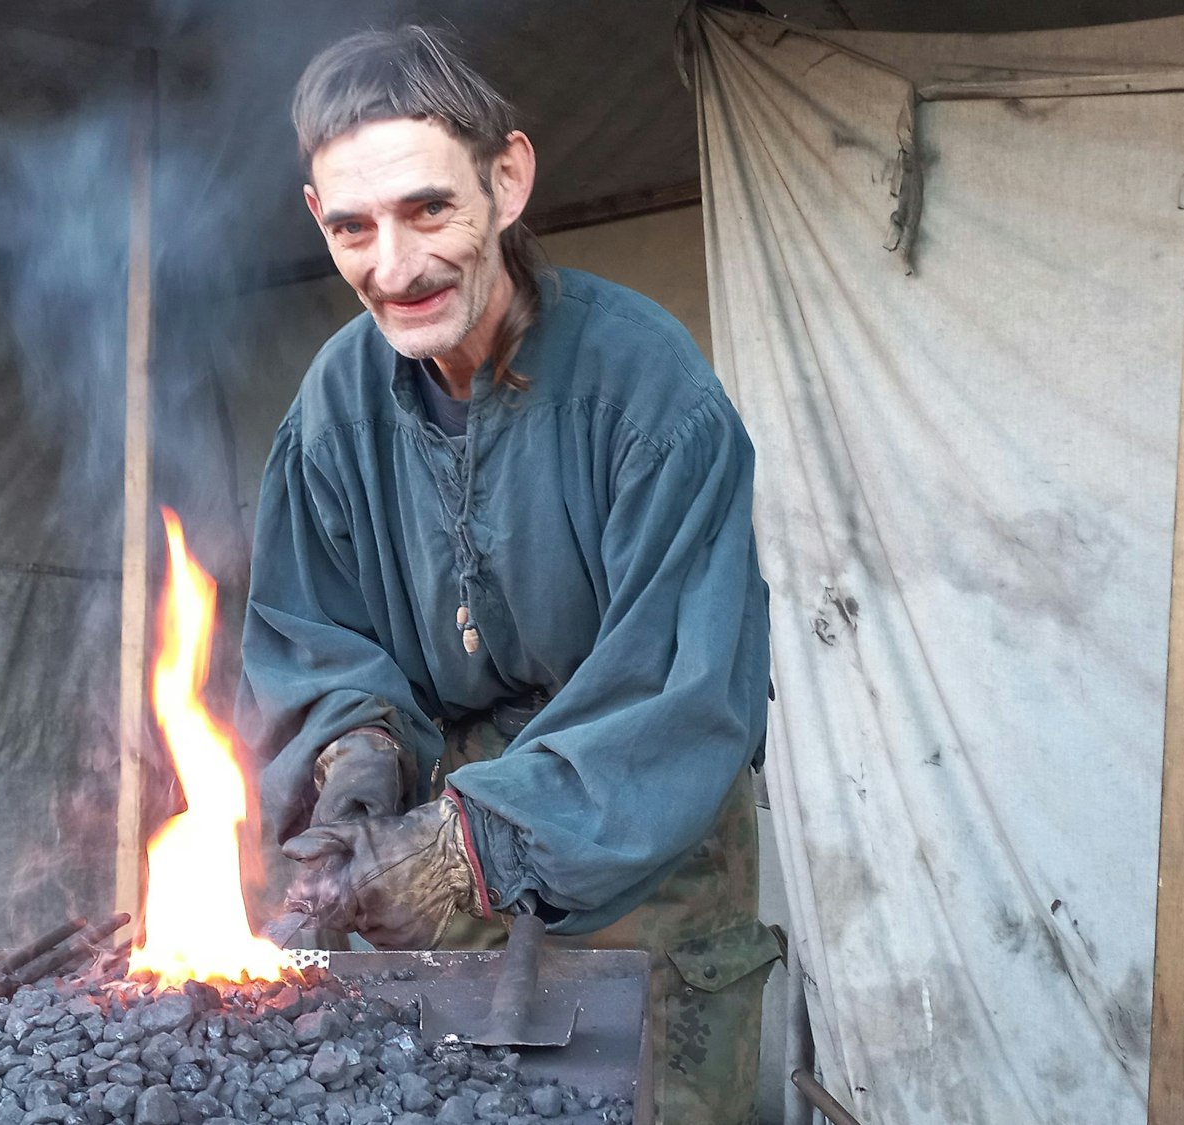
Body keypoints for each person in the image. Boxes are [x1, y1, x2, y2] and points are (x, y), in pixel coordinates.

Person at [236, 26, 781, 1124]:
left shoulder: (646, 392)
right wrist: (355, 760)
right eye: (353, 227)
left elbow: (677, 689)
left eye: (427, 209)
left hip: (647, 866)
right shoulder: (335, 404)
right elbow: (311, 634)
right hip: (431, 876)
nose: (392, 268)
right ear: (317, 221)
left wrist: (457, 852)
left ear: (507, 178)